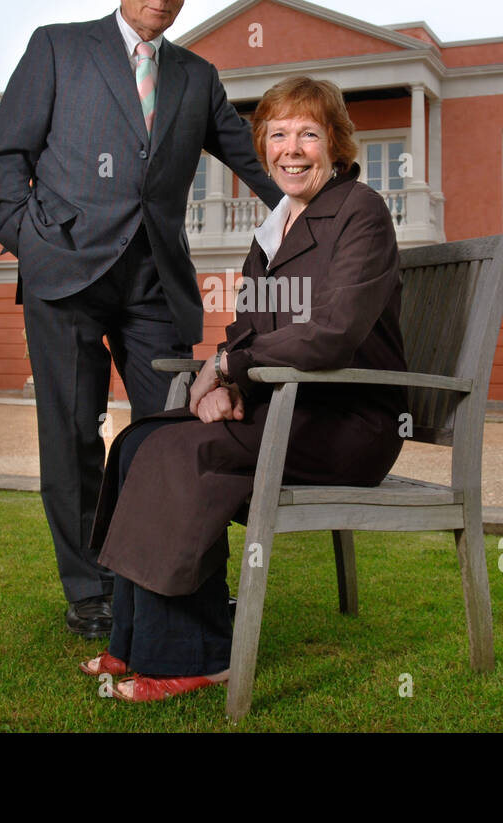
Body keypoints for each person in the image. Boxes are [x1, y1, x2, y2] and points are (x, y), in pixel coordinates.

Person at [0, 0, 283, 639]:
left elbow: (249, 158)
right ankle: (92, 590)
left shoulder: (197, 77)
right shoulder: (57, 48)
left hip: (155, 283)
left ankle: (188, 587)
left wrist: (316, 203)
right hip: (67, 275)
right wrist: (34, 242)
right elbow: (3, 160)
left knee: (177, 432)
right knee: (73, 434)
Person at [79, 76, 408, 701]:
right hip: (281, 409)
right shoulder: (274, 227)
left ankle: (197, 655)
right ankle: (133, 639)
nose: (292, 148)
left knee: (185, 455)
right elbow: (247, 328)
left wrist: (229, 368)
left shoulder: (359, 211)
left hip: (349, 422)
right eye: (278, 134)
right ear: (263, 146)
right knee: (140, 444)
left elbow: (332, 334)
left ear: (335, 143)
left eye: (309, 133)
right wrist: (218, 379)